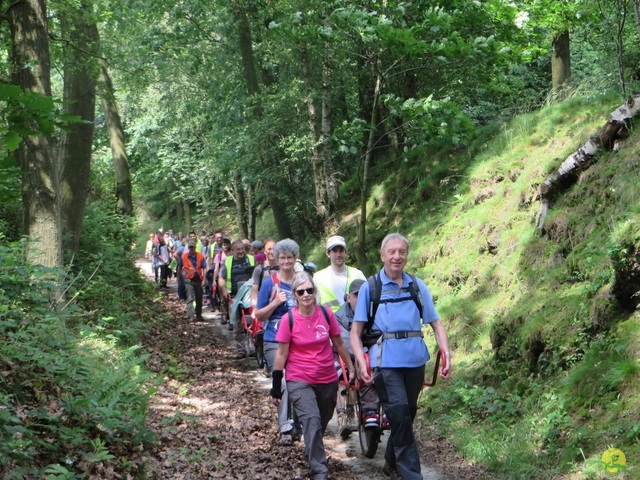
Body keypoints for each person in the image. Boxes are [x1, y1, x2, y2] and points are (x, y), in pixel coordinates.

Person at [351, 233, 451, 480]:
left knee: (408, 411)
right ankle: (412, 475)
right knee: (400, 414)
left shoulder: (416, 285)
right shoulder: (370, 288)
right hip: (385, 363)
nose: (397, 256)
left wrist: (446, 354)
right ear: (382, 255)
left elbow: (436, 324)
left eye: (402, 252)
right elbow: (355, 332)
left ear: (406, 255)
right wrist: (362, 361)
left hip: (415, 360)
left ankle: (390, 461)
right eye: (392, 252)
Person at [270, 271, 355, 480]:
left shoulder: (326, 314)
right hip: (299, 379)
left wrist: (351, 367)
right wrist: (275, 385)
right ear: (295, 295)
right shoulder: (288, 319)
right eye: (301, 291)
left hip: (327, 378)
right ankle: (319, 470)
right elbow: (281, 353)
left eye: (309, 290)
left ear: (314, 291)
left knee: (322, 420)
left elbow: (339, 343)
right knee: (312, 420)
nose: (306, 294)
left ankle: (311, 448)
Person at [255, 238, 298, 443]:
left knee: (299, 380)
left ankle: (299, 421)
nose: (286, 261)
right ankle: (285, 427)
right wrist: (275, 303)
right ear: (277, 259)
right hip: (274, 339)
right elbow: (259, 314)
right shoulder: (269, 282)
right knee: (282, 379)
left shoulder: (302, 281)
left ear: (295, 259)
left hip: (299, 339)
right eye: (283, 257)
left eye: (290, 257)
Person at [333, 278, 380, 438]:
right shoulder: (339, 316)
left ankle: (372, 412)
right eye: (357, 295)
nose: (361, 299)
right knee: (339, 374)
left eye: (364, 294)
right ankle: (342, 417)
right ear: (349, 297)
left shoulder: (373, 311)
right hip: (344, 354)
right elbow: (343, 341)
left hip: (365, 353)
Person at [314, 235, 365, 313]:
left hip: (356, 323)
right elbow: (314, 308)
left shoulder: (357, 274)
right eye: (334, 251)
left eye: (341, 250)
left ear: (345, 252)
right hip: (331, 324)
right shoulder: (318, 278)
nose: (338, 254)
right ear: (328, 253)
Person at [218, 240, 255, 348]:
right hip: (234, 296)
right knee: (237, 324)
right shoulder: (228, 261)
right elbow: (221, 278)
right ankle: (241, 349)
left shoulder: (251, 259)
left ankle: (253, 347)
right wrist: (224, 291)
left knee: (251, 321)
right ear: (233, 250)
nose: (240, 251)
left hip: (249, 294)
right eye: (238, 249)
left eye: (242, 249)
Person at [178, 241, 207, 322]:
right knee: (190, 298)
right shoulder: (184, 256)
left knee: (199, 298)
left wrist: (204, 279)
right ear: (188, 248)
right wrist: (179, 278)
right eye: (190, 247)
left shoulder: (200, 256)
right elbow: (179, 267)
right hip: (188, 279)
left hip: (198, 280)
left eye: (192, 247)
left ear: (195, 247)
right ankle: (190, 316)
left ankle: (199, 315)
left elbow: (204, 268)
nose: (191, 249)